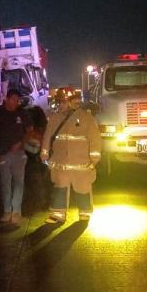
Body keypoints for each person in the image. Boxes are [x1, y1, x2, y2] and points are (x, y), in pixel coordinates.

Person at [41, 90, 102, 223]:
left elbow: (95, 139)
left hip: (81, 163)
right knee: (59, 186)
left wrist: (94, 160)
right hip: (60, 162)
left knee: (83, 187)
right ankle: (58, 213)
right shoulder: (54, 118)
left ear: (70, 103)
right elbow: (47, 136)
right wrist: (44, 154)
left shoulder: (86, 118)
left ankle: (84, 212)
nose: (60, 105)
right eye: (59, 102)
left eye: (62, 102)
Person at [0, 89, 33, 224]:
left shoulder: (22, 113)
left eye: (17, 100)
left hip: (19, 154)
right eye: (13, 99)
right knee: (5, 183)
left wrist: (21, 143)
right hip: (3, 154)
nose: (15, 103)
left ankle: (16, 211)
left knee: (19, 182)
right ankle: (7, 211)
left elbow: (30, 131)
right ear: (6, 99)